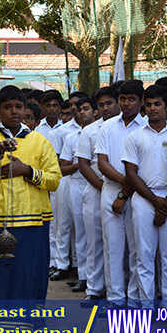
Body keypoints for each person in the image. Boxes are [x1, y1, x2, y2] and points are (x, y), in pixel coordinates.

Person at [0, 85, 60, 312]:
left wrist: (27, 171)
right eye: (7, 107)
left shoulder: (40, 141)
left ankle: (26, 321)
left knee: (25, 272)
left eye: (19, 107)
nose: (14, 112)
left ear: (26, 109)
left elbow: (54, 179)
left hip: (31, 220)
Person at [122, 85, 167, 302]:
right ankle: (146, 305)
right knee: (144, 256)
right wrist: (155, 201)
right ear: (144, 108)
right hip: (144, 198)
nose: (153, 108)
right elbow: (131, 173)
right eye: (148, 104)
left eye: (158, 104)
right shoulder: (135, 136)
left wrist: (165, 203)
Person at [95, 79, 147, 306]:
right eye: (123, 99)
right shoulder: (107, 126)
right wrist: (125, 185)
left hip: (140, 193)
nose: (126, 104)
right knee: (113, 248)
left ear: (141, 101)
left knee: (137, 249)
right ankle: (116, 299)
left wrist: (127, 191)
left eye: (131, 99)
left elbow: (145, 167)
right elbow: (102, 163)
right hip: (112, 189)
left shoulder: (147, 127)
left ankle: (135, 298)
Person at [76, 86, 121, 303]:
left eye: (109, 103)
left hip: (125, 189)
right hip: (97, 188)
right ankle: (94, 288)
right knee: (95, 241)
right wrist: (103, 188)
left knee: (121, 243)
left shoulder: (128, 128)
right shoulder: (90, 131)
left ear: (118, 102)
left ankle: (122, 289)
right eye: (101, 105)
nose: (105, 108)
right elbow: (83, 164)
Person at [59, 97, 98, 292]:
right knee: (80, 233)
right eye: (79, 109)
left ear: (95, 111)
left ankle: (97, 278)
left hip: (98, 185)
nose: (81, 112)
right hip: (77, 184)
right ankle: (84, 275)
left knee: (97, 235)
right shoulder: (71, 136)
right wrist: (81, 164)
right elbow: (63, 168)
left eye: (86, 109)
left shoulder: (101, 131)